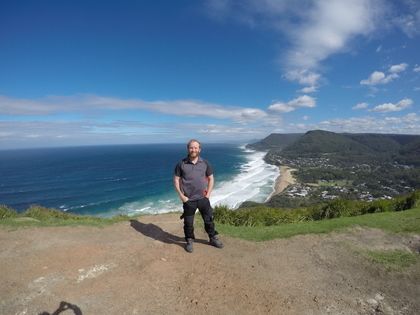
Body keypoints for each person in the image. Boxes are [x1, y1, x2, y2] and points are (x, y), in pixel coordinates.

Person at [173, 139, 224, 253]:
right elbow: (176, 180)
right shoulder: (181, 164)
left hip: (203, 199)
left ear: (199, 149)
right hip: (189, 200)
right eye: (191, 147)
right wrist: (181, 196)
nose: (193, 150)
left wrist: (208, 194)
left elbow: (211, 178)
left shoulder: (205, 163)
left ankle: (212, 238)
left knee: (209, 220)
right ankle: (189, 240)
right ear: (188, 149)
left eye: (196, 148)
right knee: (188, 223)